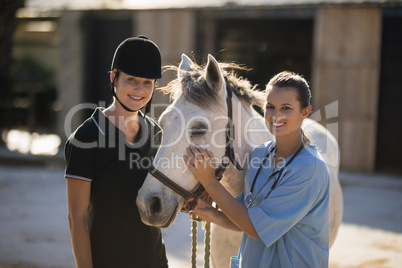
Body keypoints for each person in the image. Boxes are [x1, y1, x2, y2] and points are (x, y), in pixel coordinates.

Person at [184, 71, 330, 267]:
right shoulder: (260, 154)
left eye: (286, 108)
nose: (276, 115)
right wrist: (211, 213)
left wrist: (209, 181)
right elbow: (246, 216)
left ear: (305, 112)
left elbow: (254, 228)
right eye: (270, 107)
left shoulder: (309, 169)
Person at [64, 36, 168, 268]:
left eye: (148, 82)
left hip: (155, 261)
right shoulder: (85, 138)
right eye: (131, 80)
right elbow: (76, 217)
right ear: (114, 78)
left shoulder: (157, 134)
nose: (139, 90)